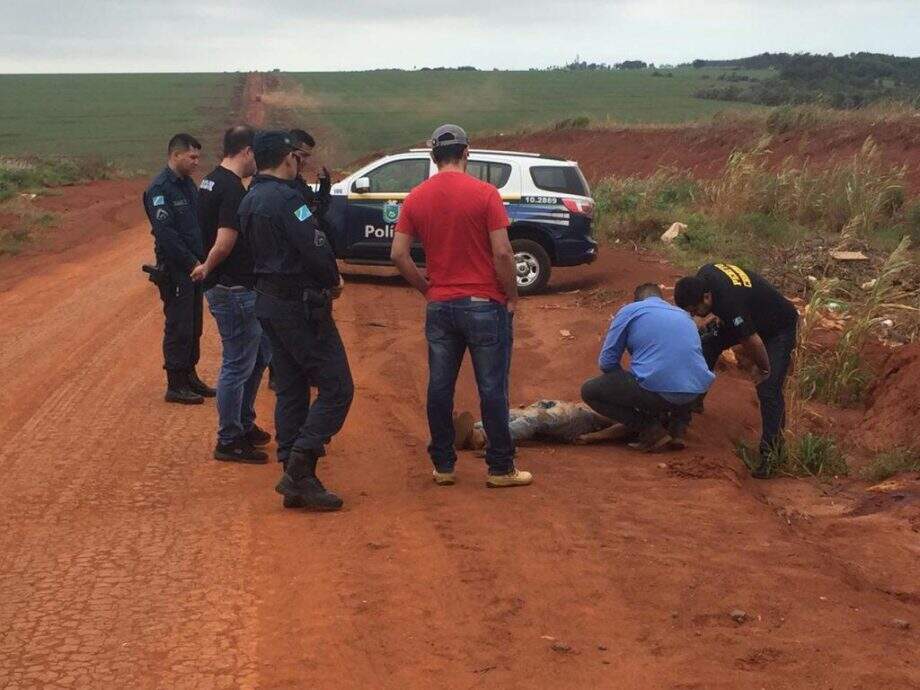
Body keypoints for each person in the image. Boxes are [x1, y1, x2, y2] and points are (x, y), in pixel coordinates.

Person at [390, 123, 531, 488]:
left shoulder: (416, 198)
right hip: (485, 303)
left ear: (432, 156)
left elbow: (399, 255)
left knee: (440, 386)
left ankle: (443, 465)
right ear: (467, 153)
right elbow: (502, 252)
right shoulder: (486, 194)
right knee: (492, 388)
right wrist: (511, 294)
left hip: (441, 305)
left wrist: (427, 289)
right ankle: (501, 468)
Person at [239, 131, 353, 511]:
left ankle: (292, 471)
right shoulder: (287, 199)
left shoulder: (251, 196)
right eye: (297, 156)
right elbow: (315, 247)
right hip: (300, 307)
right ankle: (300, 468)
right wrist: (332, 280)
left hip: (270, 303)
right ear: (288, 157)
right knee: (337, 387)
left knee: (290, 387)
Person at [192, 125, 272, 464]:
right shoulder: (230, 190)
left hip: (231, 287)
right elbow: (224, 242)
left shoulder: (209, 181)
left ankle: (243, 423)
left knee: (258, 356)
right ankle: (228, 439)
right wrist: (208, 267)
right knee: (238, 363)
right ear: (248, 152)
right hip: (233, 289)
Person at [674, 263, 798, 477]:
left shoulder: (730, 304)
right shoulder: (706, 275)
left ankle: (772, 456)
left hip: (778, 327)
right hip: (749, 315)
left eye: (695, 311)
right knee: (707, 344)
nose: (695, 316)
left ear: (706, 297)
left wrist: (763, 368)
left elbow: (753, 341)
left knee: (768, 387)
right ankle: (692, 402)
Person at [581, 283, 715, 452]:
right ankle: (678, 429)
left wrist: (627, 393)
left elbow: (607, 362)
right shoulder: (684, 315)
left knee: (589, 391)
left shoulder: (630, 310)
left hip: (659, 391)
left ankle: (650, 430)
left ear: (637, 300)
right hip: (695, 393)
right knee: (679, 373)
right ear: (661, 298)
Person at [143, 133, 215, 404]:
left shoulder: (187, 185)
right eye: (192, 157)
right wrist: (191, 262)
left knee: (194, 323)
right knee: (179, 325)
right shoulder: (160, 189)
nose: (197, 162)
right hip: (177, 268)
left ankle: (190, 375)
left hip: (195, 266)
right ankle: (175, 383)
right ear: (176, 155)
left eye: (198, 157)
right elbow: (167, 234)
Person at [453, 400, 613, 451]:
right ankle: (480, 432)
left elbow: (628, 426)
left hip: (580, 417)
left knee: (528, 418)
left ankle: (481, 433)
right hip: (571, 411)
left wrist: (593, 437)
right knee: (521, 416)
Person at [288, 129, 332, 221]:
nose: (306, 162)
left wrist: (325, 185)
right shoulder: (285, 185)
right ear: (289, 153)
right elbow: (303, 218)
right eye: (303, 155)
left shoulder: (295, 182)